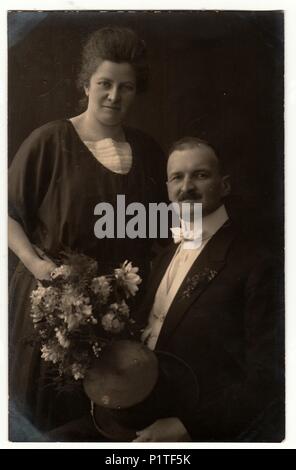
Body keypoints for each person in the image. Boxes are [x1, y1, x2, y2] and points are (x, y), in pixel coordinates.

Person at [8, 26, 167, 438]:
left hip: (120, 317)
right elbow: (6, 214)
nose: (114, 96)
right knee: (52, 421)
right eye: (105, 84)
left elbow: (168, 229)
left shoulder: (149, 152)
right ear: (86, 83)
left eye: (126, 87)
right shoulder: (49, 141)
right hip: (54, 311)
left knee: (109, 425)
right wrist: (36, 265)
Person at [133, 137, 284, 442]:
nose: (186, 187)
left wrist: (187, 427)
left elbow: (268, 376)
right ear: (167, 189)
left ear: (224, 185)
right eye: (177, 177)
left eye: (200, 175)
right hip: (139, 411)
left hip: (198, 429)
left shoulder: (257, 262)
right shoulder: (163, 257)